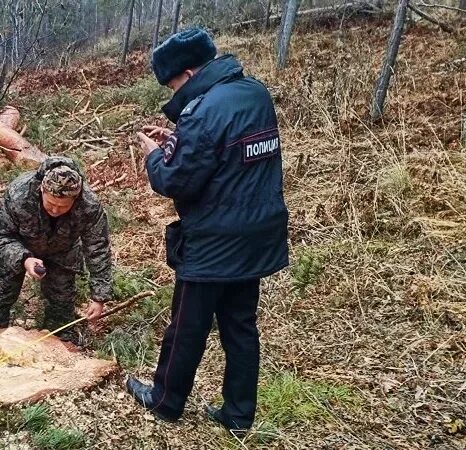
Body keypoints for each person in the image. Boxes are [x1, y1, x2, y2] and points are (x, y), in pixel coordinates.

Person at [128, 28, 289, 432]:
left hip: (214, 240)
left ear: (187, 70)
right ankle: (238, 416)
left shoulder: (202, 109)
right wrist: (179, 140)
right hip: (257, 234)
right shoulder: (254, 93)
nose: (174, 91)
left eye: (173, 83)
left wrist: (153, 157)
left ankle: (165, 401)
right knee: (240, 326)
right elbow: (226, 158)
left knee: (187, 326)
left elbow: (177, 181)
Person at [0, 156, 112, 343]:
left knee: (61, 302)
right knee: (1, 294)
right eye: (51, 204)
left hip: (62, 250)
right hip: (18, 245)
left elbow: (98, 248)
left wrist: (99, 296)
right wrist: (25, 259)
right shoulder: (19, 195)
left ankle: (59, 347)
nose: (56, 210)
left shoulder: (89, 206)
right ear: (42, 189)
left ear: (76, 198)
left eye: (62, 206)